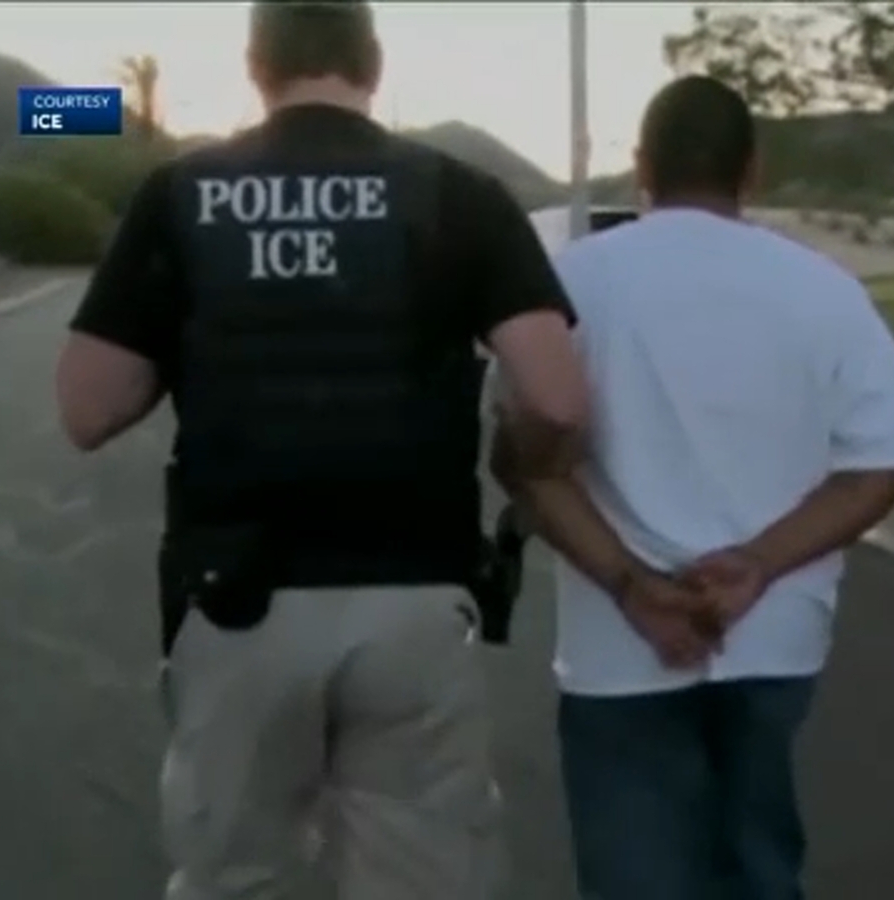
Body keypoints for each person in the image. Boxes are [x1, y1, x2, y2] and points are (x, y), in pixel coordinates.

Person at [52, 2, 586, 897]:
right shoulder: (459, 193)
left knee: (234, 875)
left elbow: (86, 407)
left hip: (237, 600)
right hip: (415, 595)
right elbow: (559, 398)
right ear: (370, 63)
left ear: (257, 65)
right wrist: (520, 462)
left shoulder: (182, 196)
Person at [488, 75, 894, 900]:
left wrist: (634, 587)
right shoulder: (825, 291)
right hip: (773, 637)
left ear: (642, 167)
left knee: (636, 877)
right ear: (752, 170)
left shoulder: (573, 285)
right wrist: (759, 564)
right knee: (759, 866)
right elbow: (889, 458)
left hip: (618, 649)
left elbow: (524, 463)